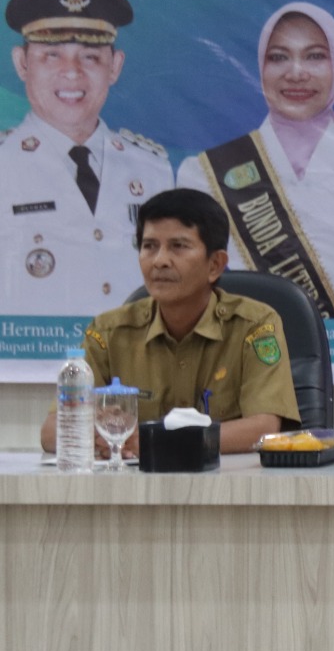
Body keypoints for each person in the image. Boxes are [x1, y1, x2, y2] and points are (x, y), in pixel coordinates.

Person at [176, 1, 334, 320]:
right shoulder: (205, 174)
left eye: (315, 56)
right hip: (248, 346)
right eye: (278, 57)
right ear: (260, 68)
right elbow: (189, 278)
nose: (296, 73)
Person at [40, 188, 300, 458]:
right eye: (149, 246)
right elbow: (51, 432)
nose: (160, 261)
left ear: (215, 264)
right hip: (136, 483)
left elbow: (263, 429)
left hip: (229, 480)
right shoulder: (108, 333)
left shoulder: (254, 325)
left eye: (178, 246)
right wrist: (102, 434)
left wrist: (156, 442)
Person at [2, 0, 174, 315]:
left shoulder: (154, 170)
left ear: (115, 67)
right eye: (52, 55)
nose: (72, 72)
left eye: (90, 56)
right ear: (22, 64)